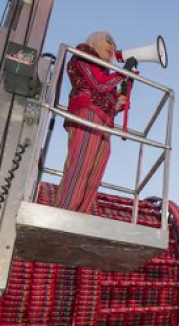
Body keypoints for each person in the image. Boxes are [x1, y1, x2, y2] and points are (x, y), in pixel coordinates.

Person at [56, 31, 127, 212]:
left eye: (115, 46)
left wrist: (119, 102)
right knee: (81, 164)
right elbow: (98, 83)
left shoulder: (105, 71)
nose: (112, 48)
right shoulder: (83, 55)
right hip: (87, 112)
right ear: (96, 41)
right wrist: (122, 74)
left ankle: (81, 213)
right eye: (109, 42)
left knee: (95, 174)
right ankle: (65, 211)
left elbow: (107, 97)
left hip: (104, 122)